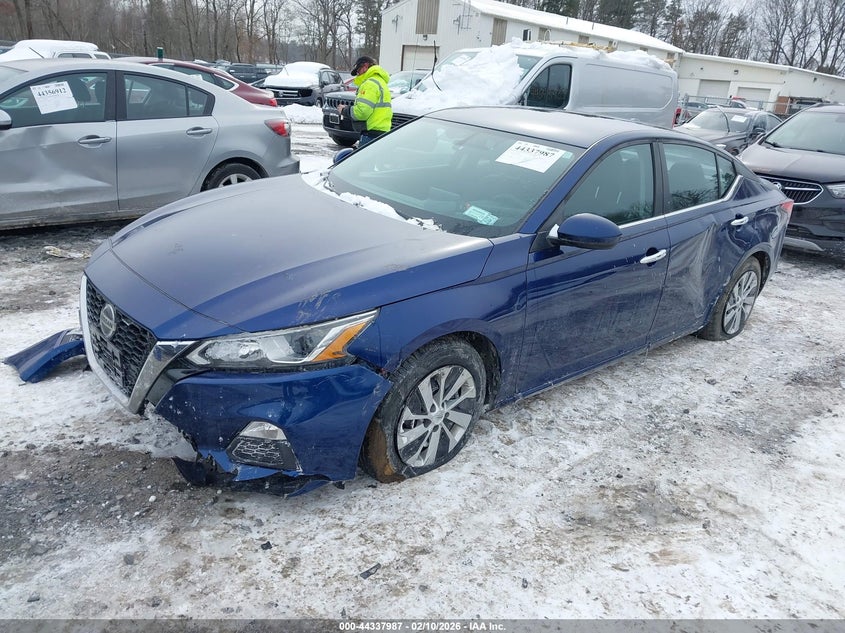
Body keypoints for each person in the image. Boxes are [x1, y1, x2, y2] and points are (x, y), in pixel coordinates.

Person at [338, 55, 392, 147]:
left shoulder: (369, 84)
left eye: (358, 70)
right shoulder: (380, 82)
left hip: (371, 134)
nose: (357, 74)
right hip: (382, 131)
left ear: (366, 66)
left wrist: (344, 110)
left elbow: (362, 112)